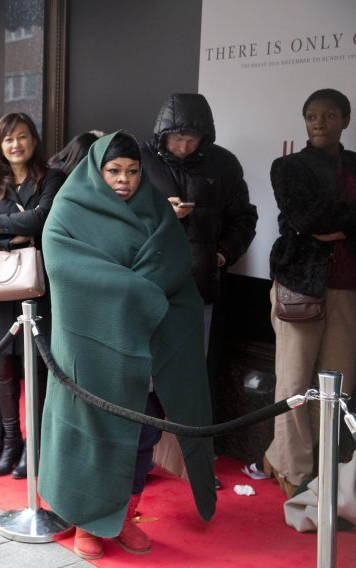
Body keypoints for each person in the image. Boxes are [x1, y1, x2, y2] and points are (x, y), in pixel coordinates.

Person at [38, 131, 216, 559]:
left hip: (148, 349)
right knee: (92, 435)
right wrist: (137, 290)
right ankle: (87, 522)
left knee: (141, 437)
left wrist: (134, 291)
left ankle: (124, 516)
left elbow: (175, 264)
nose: (124, 180)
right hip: (92, 348)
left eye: (133, 171)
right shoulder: (68, 210)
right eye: (114, 171)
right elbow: (67, 267)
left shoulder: (156, 209)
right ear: (97, 170)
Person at [140, 93, 257, 458]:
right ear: (162, 134)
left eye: (193, 139)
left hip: (202, 284)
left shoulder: (223, 164)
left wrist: (223, 254)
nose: (184, 146)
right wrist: (162, 214)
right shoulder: (139, 159)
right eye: (177, 138)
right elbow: (116, 217)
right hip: (149, 285)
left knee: (194, 374)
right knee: (146, 374)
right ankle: (144, 454)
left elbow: (245, 217)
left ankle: (192, 458)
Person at [262, 88, 356, 498]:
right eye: (312, 116)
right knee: (295, 384)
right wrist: (344, 220)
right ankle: (291, 468)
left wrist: (338, 225)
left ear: (345, 121)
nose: (319, 123)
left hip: (348, 288)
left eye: (329, 115)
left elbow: (321, 217)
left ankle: (325, 471)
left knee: (338, 387)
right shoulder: (287, 166)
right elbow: (305, 217)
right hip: (301, 284)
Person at [0, 112, 66, 478]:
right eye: (8, 139)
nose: (16, 145)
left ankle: (35, 448)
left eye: (22, 137)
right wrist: (10, 238)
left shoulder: (51, 178)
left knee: (35, 370)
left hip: (35, 289)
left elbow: (42, 219)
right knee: (3, 371)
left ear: (33, 140)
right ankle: (11, 445)